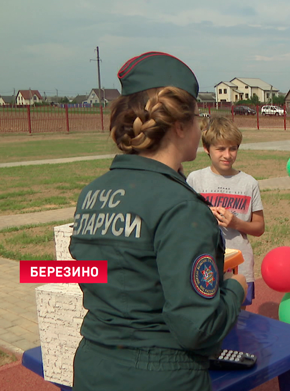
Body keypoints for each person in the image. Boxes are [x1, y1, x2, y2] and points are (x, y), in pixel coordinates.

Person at [69, 52, 247, 391]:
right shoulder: (180, 206)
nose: (200, 126)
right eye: (198, 117)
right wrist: (235, 290)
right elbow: (197, 328)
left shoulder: (91, 193)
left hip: (93, 365)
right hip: (160, 374)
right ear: (180, 125)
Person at [187, 114, 265, 310]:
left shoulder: (249, 183)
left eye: (233, 148)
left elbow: (259, 227)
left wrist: (235, 223)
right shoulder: (195, 180)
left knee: (239, 320)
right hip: (203, 263)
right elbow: (184, 222)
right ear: (206, 149)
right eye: (220, 149)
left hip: (240, 265)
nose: (227, 155)